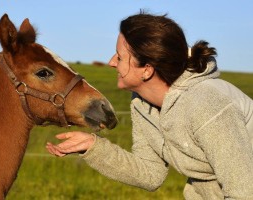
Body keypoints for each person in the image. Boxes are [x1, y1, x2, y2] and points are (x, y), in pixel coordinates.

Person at [46, 11, 253, 199]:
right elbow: (150, 173)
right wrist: (92, 146)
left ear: (147, 69)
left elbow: (244, 191)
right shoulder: (142, 103)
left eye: (120, 57)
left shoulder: (206, 104)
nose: (111, 62)